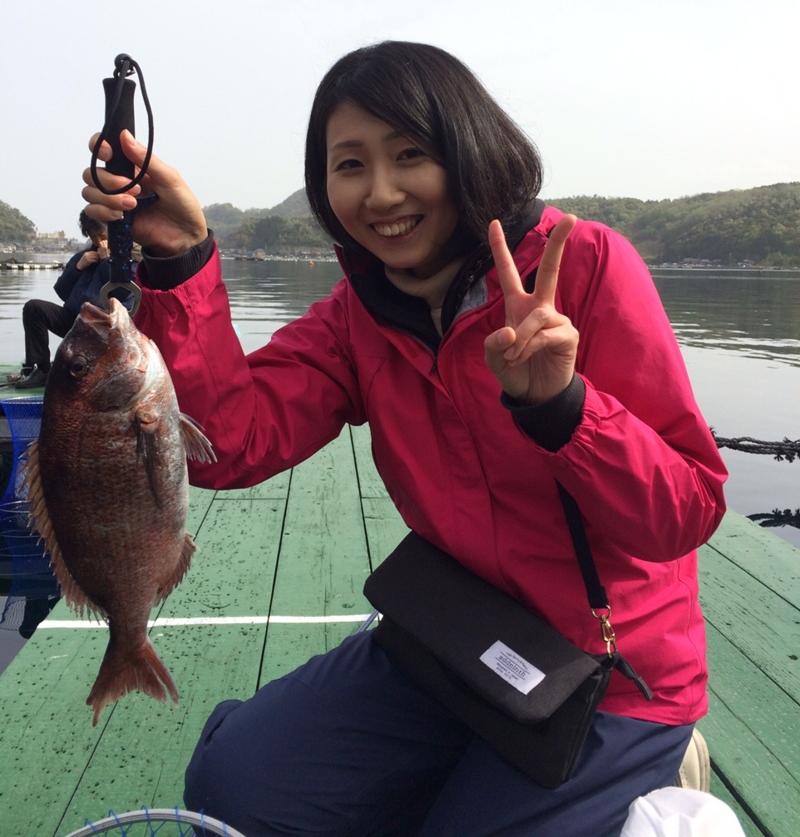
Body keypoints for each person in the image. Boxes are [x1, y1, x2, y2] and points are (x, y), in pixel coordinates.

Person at [81, 41, 728, 837]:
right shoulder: (358, 314)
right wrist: (181, 258)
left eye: (410, 155)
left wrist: (564, 406)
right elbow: (229, 443)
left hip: (612, 672)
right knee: (235, 785)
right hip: (455, 636)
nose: (381, 192)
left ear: (468, 150)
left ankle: (664, 779)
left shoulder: (586, 266)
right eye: (349, 165)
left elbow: (686, 511)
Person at [15, 212, 112, 389]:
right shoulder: (83, 256)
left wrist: (107, 262)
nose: (99, 242)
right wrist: (78, 267)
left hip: (102, 328)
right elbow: (61, 291)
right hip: (73, 321)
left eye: (102, 236)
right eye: (93, 237)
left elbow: (123, 294)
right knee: (34, 308)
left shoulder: (122, 261)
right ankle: (42, 369)